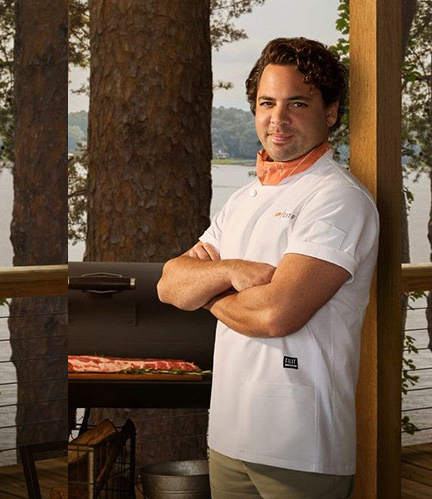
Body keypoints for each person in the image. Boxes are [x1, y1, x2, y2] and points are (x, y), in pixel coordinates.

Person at [157, 37, 379, 499]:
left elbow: (277, 314)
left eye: (297, 103)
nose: (278, 119)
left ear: (331, 112)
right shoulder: (243, 199)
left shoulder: (337, 199)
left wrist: (210, 292)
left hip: (299, 445)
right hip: (228, 435)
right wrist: (233, 272)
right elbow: (171, 285)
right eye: (267, 103)